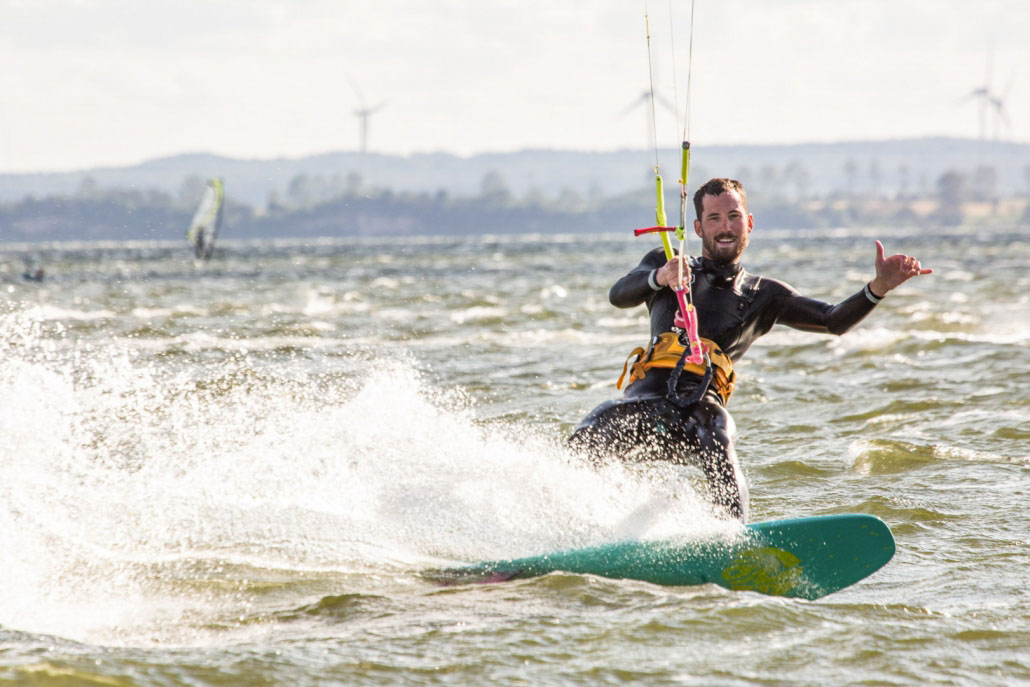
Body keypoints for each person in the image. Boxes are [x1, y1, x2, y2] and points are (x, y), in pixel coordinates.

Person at [568, 177, 931, 521]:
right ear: (698, 228)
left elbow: (832, 320)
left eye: (733, 216)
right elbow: (619, 295)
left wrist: (878, 287)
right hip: (643, 404)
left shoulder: (764, 294)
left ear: (749, 223)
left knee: (719, 426)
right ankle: (563, 520)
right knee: (597, 423)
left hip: (698, 414)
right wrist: (659, 278)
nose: (725, 227)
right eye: (714, 218)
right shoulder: (668, 261)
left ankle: (730, 537)